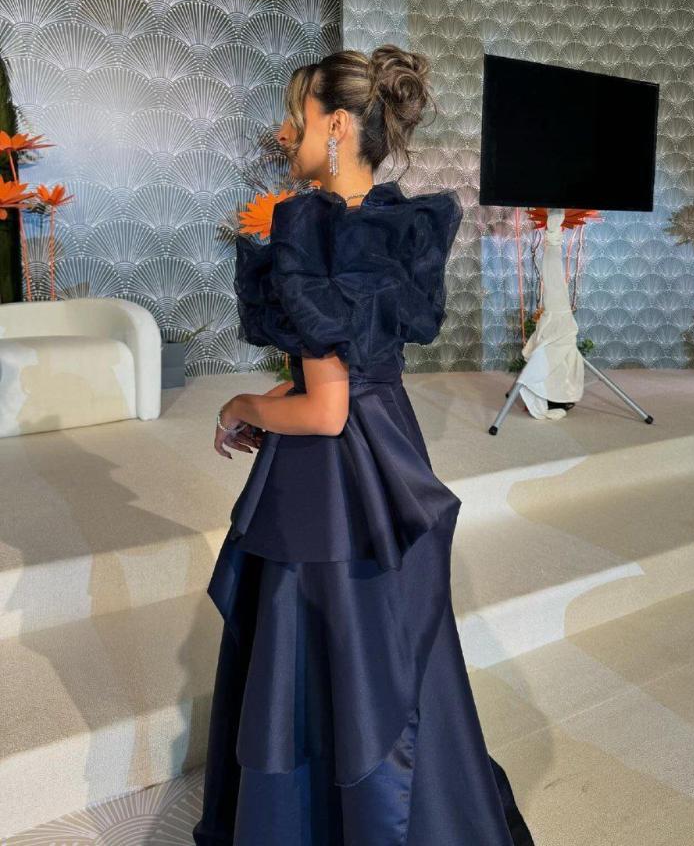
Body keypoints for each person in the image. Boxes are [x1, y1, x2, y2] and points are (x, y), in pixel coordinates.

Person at [193, 44, 535, 845]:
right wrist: (285, 400)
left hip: (334, 474)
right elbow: (355, 372)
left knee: (315, 646)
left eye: (299, 116)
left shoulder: (312, 231)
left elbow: (326, 411)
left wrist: (243, 402)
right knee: (383, 649)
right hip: (389, 446)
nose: (287, 133)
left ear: (339, 126)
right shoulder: (391, 223)